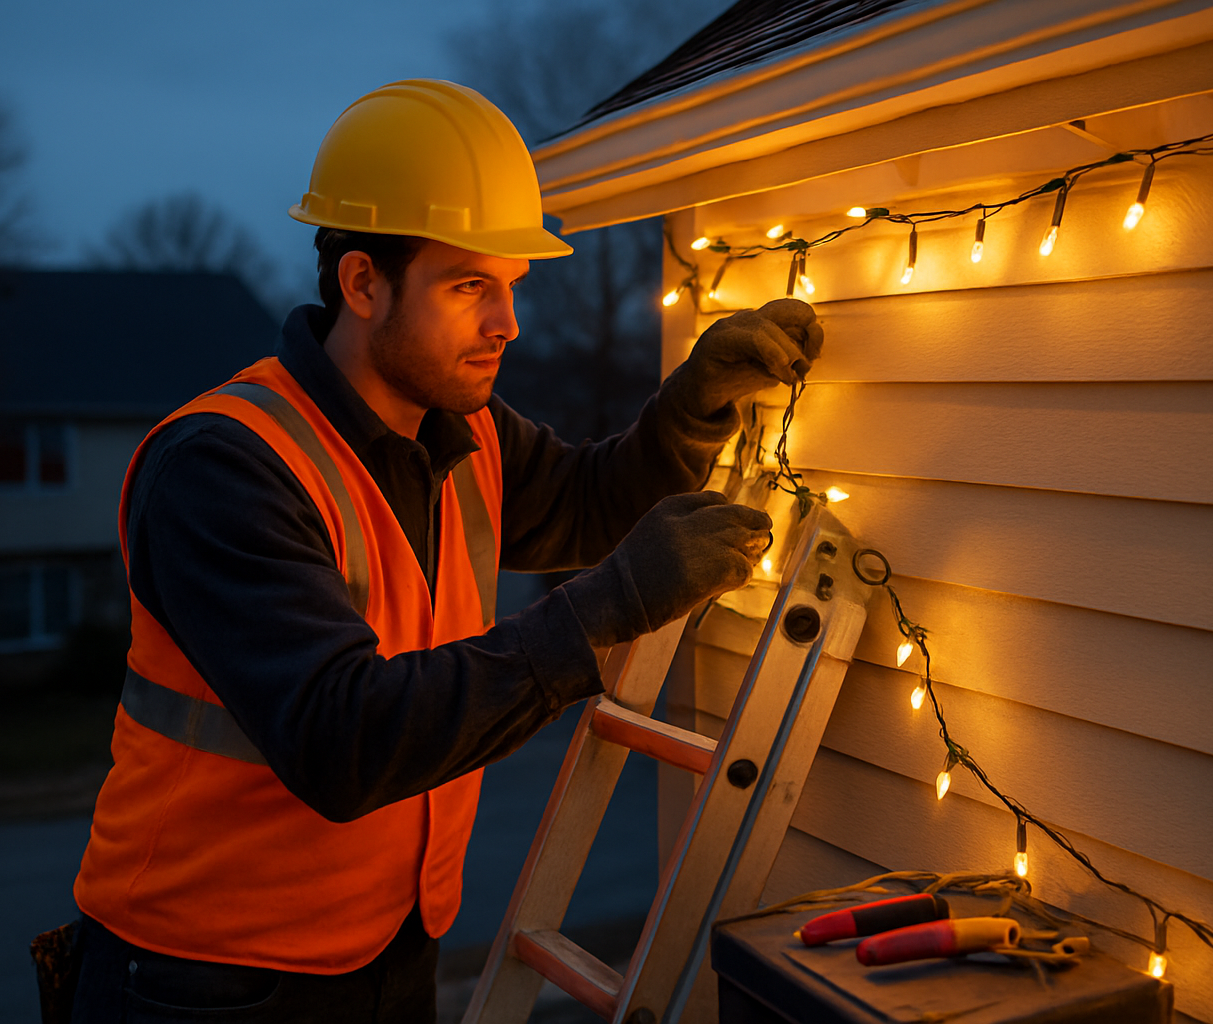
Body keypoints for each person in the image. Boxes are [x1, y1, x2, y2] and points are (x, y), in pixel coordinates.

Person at [66, 80, 821, 1023]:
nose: (507, 322)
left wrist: (693, 409)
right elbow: (345, 739)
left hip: (389, 949)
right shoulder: (222, 468)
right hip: (203, 978)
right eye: (471, 286)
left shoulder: (463, 433)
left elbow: (589, 502)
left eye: (512, 286)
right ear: (362, 282)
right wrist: (609, 608)